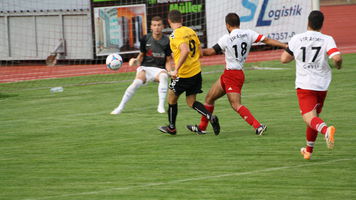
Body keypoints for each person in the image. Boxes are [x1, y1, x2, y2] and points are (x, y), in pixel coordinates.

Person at [186, 13, 287, 135]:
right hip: (228, 74)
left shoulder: (226, 38)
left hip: (233, 75)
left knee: (235, 104)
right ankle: (202, 128)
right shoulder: (249, 33)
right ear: (239, 23)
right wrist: (284, 45)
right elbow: (266, 40)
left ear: (227, 25)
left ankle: (258, 126)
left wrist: (195, 51)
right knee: (209, 98)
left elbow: (210, 52)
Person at [281, 10, 342, 160]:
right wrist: (338, 65)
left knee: (309, 118)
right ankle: (308, 151)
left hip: (305, 85)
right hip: (322, 85)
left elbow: (284, 59)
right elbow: (337, 57)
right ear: (322, 24)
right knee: (314, 117)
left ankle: (326, 130)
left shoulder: (297, 38)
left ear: (308, 22)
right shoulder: (327, 39)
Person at [158, 10, 220, 135]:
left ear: (169, 21)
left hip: (184, 75)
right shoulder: (191, 31)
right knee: (191, 102)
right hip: (196, 72)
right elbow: (200, 53)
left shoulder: (175, 35)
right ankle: (210, 117)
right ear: (182, 19)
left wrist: (176, 69)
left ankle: (171, 127)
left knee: (171, 97)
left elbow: (185, 50)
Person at [111, 16, 172, 115]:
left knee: (164, 76)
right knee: (136, 83)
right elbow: (141, 56)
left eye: (159, 25)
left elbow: (168, 60)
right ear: (151, 27)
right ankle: (120, 107)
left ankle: (160, 106)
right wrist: (135, 61)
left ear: (163, 26)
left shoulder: (167, 41)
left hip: (159, 69)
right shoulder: (145, 38)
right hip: (145, 68)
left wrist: (170, 71)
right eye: (154, 25)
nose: (157, 27)